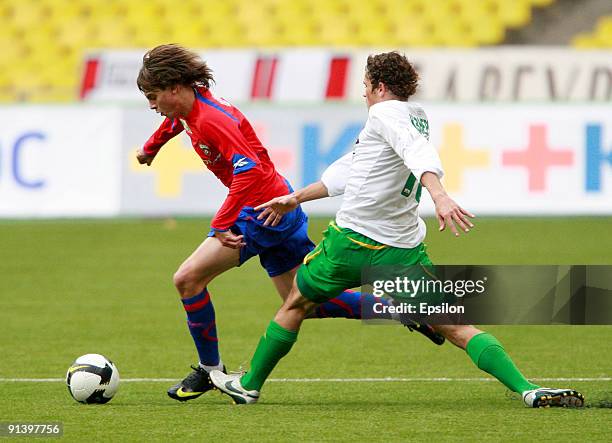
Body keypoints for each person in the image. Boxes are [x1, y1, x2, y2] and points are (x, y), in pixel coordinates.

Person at [210, 51, 585, 409]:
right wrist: (296, 198)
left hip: (350, 243)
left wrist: (439, 194)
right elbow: (353, 167)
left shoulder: (385, 113)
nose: (362, 92)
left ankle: (248, 386)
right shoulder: (413, 116)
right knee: (456, 326)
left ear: (379, 85)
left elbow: (417, 154)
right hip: (401, 251)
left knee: (295, 303)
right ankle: (528, 390)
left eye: (365, 84)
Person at [135, 45, 442, 402]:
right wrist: (152, 146)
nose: (152, 106)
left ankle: (209, 370)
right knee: (303, 301)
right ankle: (398, 309)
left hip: (261, 212)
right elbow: (178, 120)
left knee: (187, 279)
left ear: (174, 88)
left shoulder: (212, 118)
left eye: (154, 97)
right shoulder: (191, 106)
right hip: (280, 206)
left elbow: (246, 170)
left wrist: (222, 223)